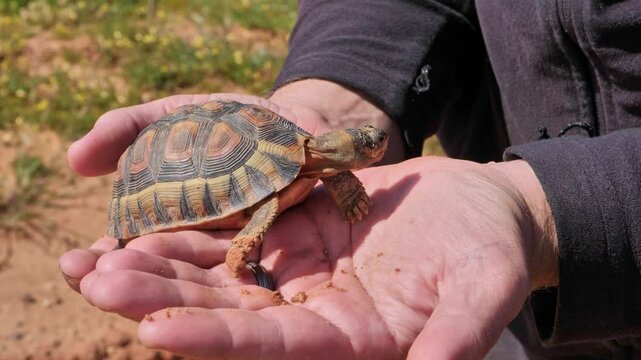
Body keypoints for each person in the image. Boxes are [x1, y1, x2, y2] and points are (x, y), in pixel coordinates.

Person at [59, 1, 641, 359]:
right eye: (363, 145)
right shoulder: (305, 165)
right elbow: (268, 207)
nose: (373, 150)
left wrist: (559, 207)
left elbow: (307, 182)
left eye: (368, 146)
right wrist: (345, 80)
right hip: (529, 331)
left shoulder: (318, 169)